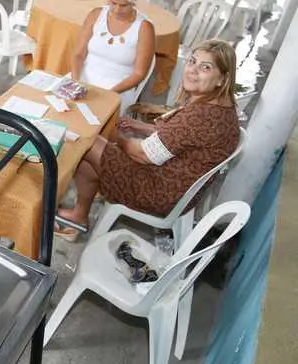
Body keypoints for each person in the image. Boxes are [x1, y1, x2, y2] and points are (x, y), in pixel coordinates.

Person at [56, 39, 241, 242]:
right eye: (192, 61)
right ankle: (79, 216)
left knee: (87, 141)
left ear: (222, 79)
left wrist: (114, 136)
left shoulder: (201, 116)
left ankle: (56, 209)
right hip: (175, 182)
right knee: (92, 147)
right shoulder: (219, 107)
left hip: (158, 190)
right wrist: (141, 127)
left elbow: (144, 155)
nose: (192, 71)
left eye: (205, 67)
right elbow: (181, 138)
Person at [71, 0, 155, 113]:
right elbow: (78, 53)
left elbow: (139, 74)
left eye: (124, 5)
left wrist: (108, 93)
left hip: (118, 89)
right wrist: (75, 81)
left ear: (134, 2)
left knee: (93, 117)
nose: (116, 9)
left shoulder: (144, 28)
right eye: (113, 3)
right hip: (83, 79)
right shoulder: (96, 14)